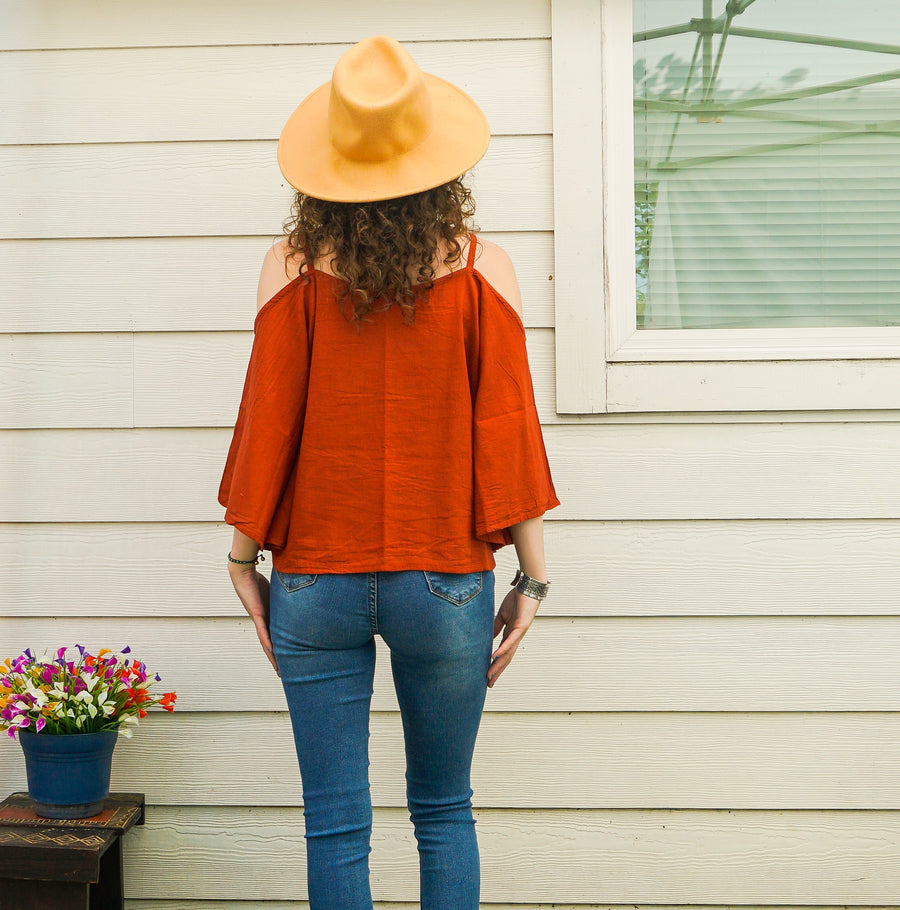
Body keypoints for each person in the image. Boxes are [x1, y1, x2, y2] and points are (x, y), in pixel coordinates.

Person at [218, 35, 560, 910]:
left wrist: (240, 557)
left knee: (334, 820)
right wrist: (534, 579)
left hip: (314, 577)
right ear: (436, 161)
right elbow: (508, 433)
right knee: (445, 810)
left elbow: (269, 426)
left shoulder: (289, 268)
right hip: (445, 576)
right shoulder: (485, 269)